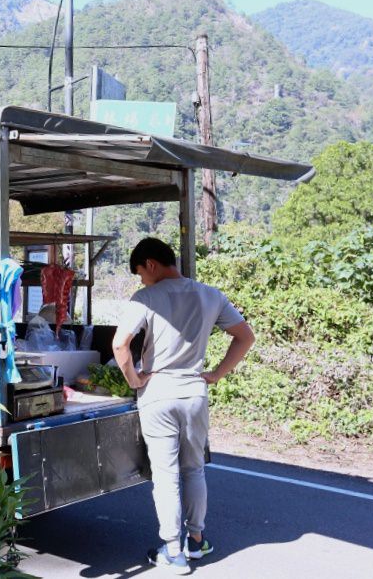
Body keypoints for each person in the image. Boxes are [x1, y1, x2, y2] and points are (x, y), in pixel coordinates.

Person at [112, 237, 255, 575]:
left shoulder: (146, 297)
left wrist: (134, 380)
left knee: (165, 476)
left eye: (140, 273)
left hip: (159, 392)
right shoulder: (210, 294)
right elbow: (245, 336)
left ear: (151, 264)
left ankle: (173, 552)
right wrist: (217, 373)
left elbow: (120, 344)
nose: (141, 280)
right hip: (194, 391)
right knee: (194, 469)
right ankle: (196, 540)